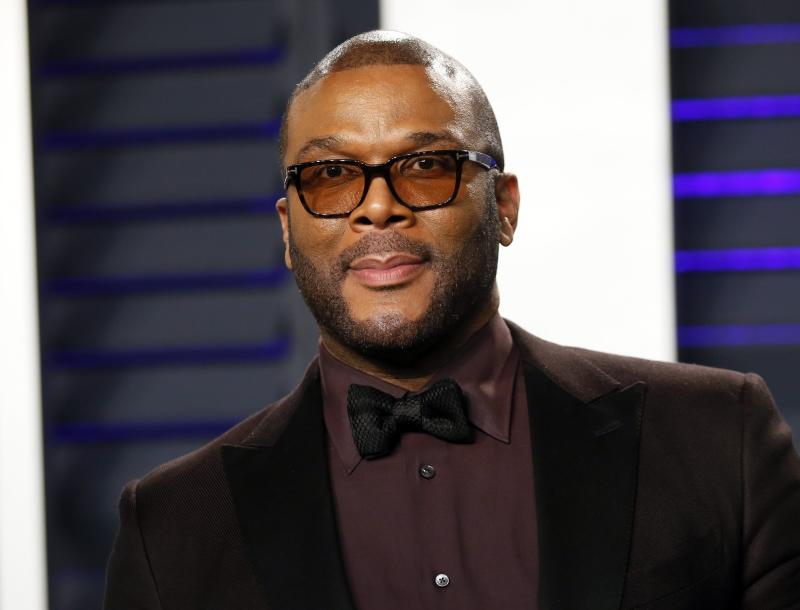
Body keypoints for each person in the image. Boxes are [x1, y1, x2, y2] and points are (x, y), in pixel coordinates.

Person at [104, 31, 800, 610]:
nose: (378, 207)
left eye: (426, 165)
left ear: (504, 207)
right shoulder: (172, 528)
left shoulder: (718, 437)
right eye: (331, 176)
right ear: (288, 231)